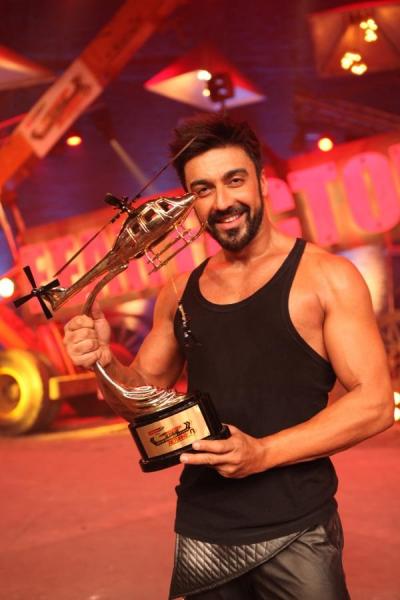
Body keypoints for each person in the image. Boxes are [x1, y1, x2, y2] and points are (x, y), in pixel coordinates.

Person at [64, 114, 394, 599]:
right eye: (203, 189)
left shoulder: (327, 277)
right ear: (188, 201)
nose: (222, 202)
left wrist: (263, 453)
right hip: (204, 531)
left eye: (234, 180)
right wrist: (103, 362)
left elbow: (375, 403)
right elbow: (139, 402)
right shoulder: (179, 292)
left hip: (297, 529)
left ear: (261, 183)